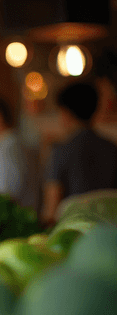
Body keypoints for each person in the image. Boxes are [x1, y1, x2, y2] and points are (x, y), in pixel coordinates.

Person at [43, 82, 117, 225]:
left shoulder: (61, 150)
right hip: (111, 233)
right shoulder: (112, 148)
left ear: (66, 113)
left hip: (72, 236)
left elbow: (51, 209)